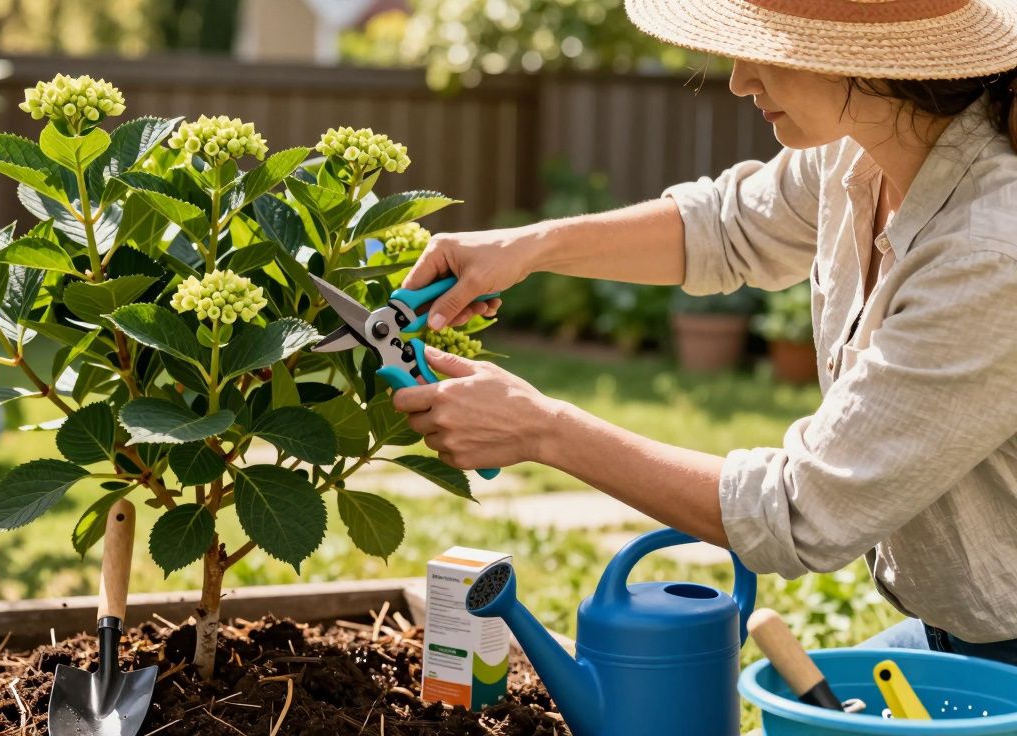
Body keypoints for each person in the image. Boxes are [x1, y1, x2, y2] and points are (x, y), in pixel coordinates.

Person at [392, 0, 1017, 664]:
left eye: (765, 50)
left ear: (860, 59)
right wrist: (528, 246)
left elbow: (802, 511)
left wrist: (541, 427)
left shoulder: (986, 253)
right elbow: (726, 227)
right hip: (949, 639)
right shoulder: (865, 151)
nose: (739, 80)